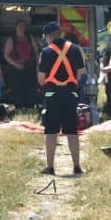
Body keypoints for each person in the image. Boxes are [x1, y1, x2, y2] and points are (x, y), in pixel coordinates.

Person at [37, 21, 86, 176]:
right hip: (70, 94)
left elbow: (41, 78)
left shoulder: (46, 52)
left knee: (51, 131)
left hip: (52, 95)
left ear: (49, 36)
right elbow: (80, 74)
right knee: (72, 131)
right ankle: (77, 166)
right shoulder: (75, 49)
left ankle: (50, 166)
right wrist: (71, 85)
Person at [3, 19, 40, 108]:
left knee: (31, 87)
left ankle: (30, 106)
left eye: (23, 26)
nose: (21, 28)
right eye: (19, 26)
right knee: (18, 88)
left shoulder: (30, 38)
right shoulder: (11, 39)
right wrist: (16, 64)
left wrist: (38, 65)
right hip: (17, 67)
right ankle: (19, 107)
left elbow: (36, 52)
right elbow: (6, 55)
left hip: (30, 66)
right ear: (16, 28)